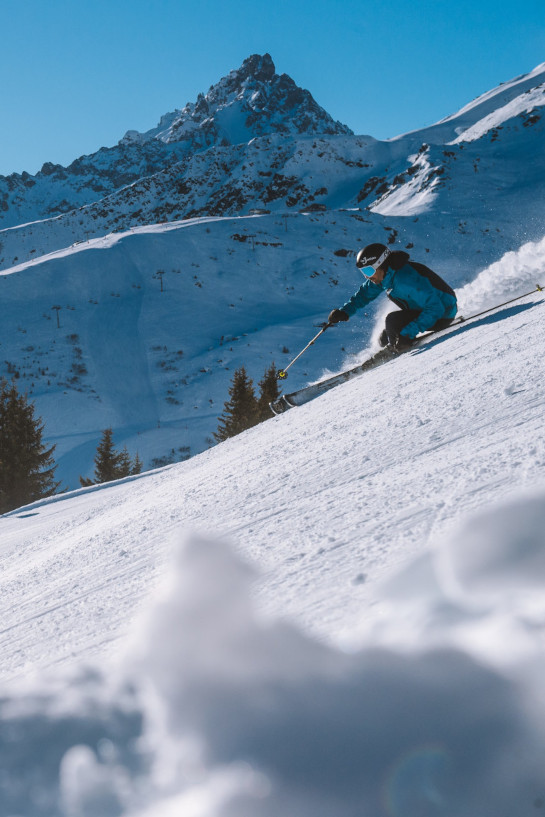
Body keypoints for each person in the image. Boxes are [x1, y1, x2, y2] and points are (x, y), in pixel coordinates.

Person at [328, 243, 457, 350]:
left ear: (380, 264)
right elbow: (363, 295)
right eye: (363, 272)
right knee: (385, 337)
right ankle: (392, 348)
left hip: (443, 314)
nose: (367, 276)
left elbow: (436, 308)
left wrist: (407, 334)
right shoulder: (384, 276)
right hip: (426, 310)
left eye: (368, 271)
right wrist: (344, 312)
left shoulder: (406, 279)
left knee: (392, 321)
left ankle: (398, 353)